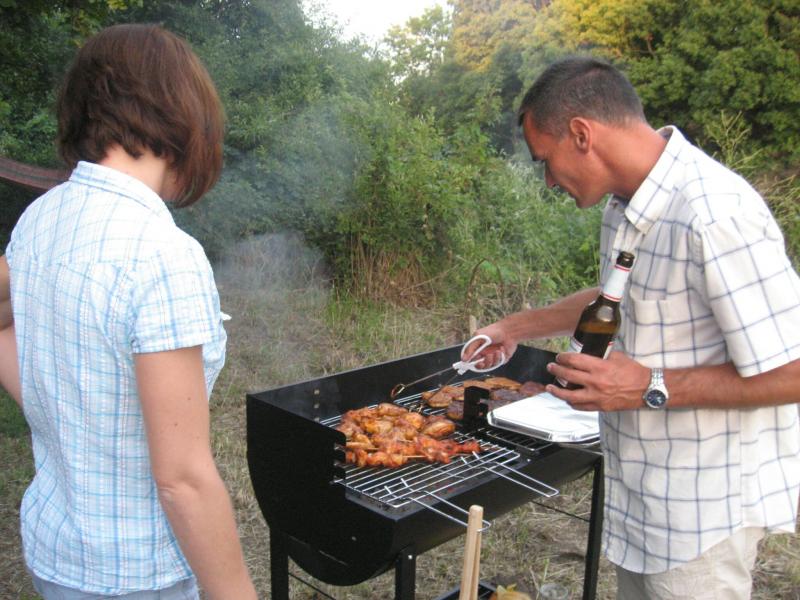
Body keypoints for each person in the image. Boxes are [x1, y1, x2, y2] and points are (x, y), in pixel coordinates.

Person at [466, 56, 800, 599]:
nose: (548, 180)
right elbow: (618, 298)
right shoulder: (626, 206)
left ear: (582, 135)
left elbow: (794, 370)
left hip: (702, 516)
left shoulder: (715, 214)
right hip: (644, 497)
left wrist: (647, 385)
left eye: (545, 161)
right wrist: (515, 326)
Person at [0, 24, 257, 599]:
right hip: (135, 576)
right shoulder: (164, 256)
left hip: (56, 555)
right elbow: (183, 480)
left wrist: (53, 402)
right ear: (182, 116)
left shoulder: (41, 217)